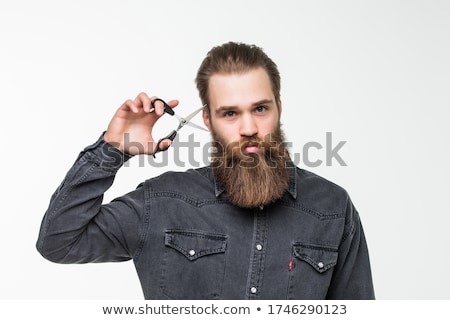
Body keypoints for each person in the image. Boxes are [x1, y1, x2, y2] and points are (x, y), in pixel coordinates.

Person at [36, 42, 375, 299]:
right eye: (230, 113)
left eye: (259, 108)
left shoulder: (332, 208)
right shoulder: (161, 202)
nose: (248, 128)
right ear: (208, 120)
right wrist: (112, 151)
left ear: (279, 108)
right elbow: (59, 242)